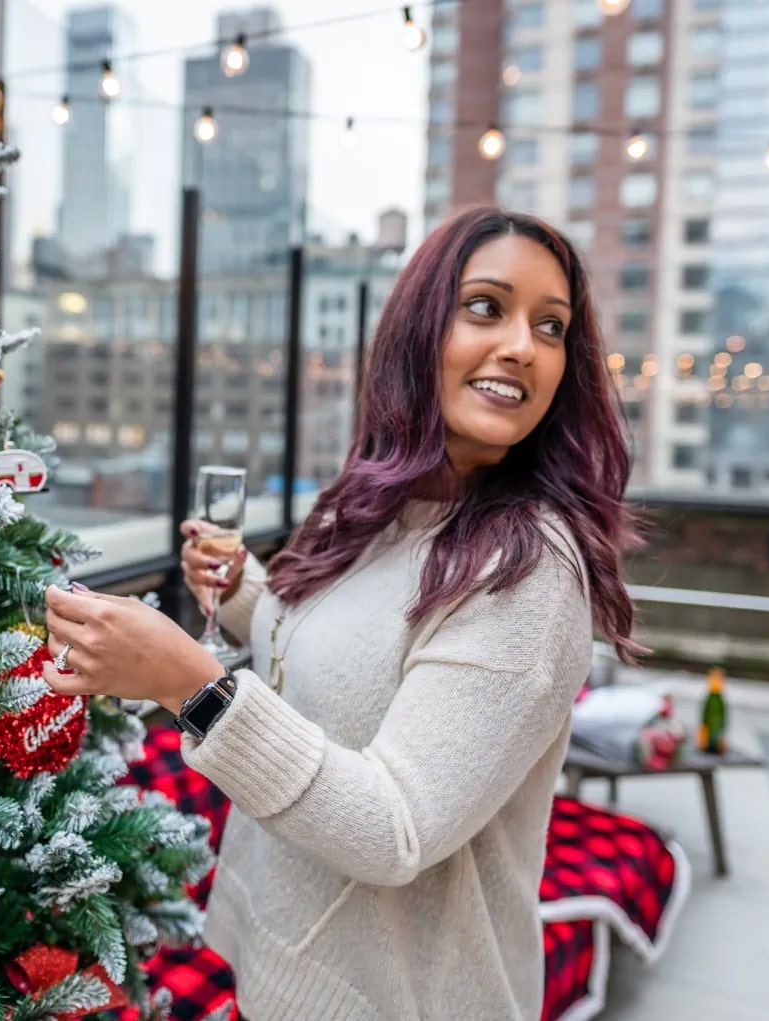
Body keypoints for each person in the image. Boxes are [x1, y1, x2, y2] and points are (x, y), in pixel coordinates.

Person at [40, 206, 640, 1020]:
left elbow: (394, 827)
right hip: (286, 967)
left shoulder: (528, 570)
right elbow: (333, 659)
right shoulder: (381, 504)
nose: (522, 346)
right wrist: (247, 587)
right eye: (487, 307)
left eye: (552, 325)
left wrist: (191, 683)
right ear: (418, 328)